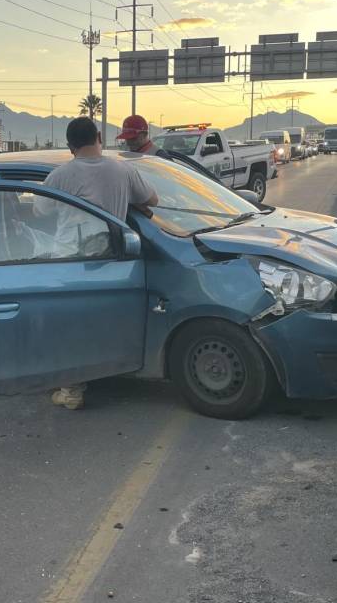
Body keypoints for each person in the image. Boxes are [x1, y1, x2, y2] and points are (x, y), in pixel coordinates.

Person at [39, 117, 158, 410]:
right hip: (108, 257)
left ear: (70, 147)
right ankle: (97, 372)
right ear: (98, 137)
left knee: (67, 325)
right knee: (94, 320)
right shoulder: (123, 169)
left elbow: (40, 211)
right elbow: (152, 199)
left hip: (67, 260)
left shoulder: (61, 175)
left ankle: (71, 388)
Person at [115, 114, 216, 182]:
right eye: (126, 139)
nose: (128, 142)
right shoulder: (126, 156)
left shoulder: (160, 157)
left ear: (142, 135)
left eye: (131, 139)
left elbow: (172, 184)